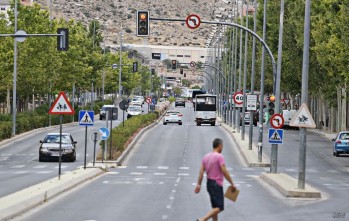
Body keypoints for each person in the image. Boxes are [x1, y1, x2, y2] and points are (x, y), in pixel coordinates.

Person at [195, 138, 236, 221]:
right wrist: (232, 183)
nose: (222, 148)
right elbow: (225, 172)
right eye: (222, 146)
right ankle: (202, 220)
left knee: (215, 207)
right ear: (220, 146)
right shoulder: (219, 156)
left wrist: (198, 184)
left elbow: (201, 172)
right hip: (216, 184)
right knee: (219, 207)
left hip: (209, 184)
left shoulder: (206, 157)